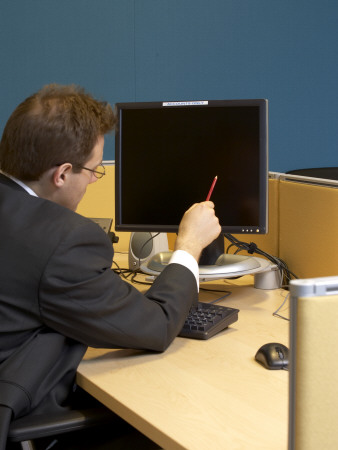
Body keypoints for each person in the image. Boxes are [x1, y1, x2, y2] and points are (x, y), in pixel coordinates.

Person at [0, 84, 221, 445]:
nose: (92, 181)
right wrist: (189, 245)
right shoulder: (61, 240)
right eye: (93, 172)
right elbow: (158, 325)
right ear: (62, 174)